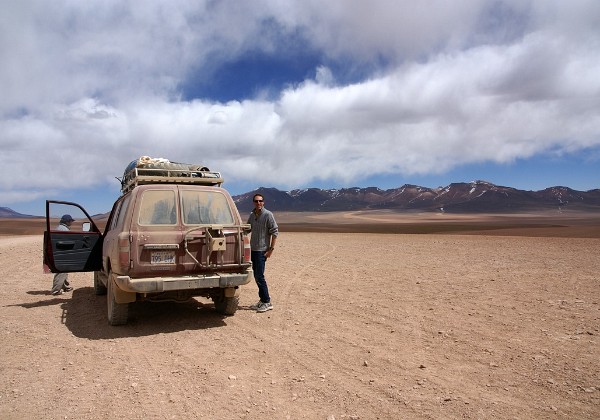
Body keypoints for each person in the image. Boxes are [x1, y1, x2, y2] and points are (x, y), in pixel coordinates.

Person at [247, 194, 278, 313]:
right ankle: (262, 300)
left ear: (263, 202)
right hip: (253, 250)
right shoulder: (252, 215)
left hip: (262, 251)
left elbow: (275, 232)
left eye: (260, 201)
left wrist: (271, 249)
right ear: (253, 202)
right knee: (256, 275)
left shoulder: (268, 215)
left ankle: (267, 301)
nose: (258, 203)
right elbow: (248, 228)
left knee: (260, 276)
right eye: (256, 201)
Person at [51, 214, 75, 296]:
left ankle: (64, 286)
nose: (71, 222)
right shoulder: (64, 229)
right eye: (70, 221)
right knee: (61, 271)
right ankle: (56, 290)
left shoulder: (60, 228)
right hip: (62, 252)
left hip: (60, 252)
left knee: (64, 270)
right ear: (67, 221)